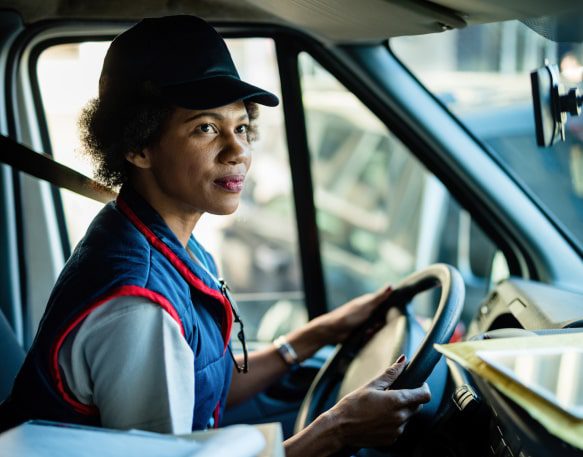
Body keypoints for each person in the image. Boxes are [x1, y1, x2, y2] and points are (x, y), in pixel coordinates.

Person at [0, 15, 430, 456]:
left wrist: (320, 333)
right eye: (206, 128)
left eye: (242, 127)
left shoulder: (157, 237)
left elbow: (206, 380)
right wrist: (338, 429)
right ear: (138, 145)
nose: (238, 150)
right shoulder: (139, 305)